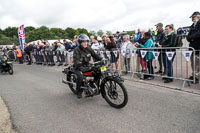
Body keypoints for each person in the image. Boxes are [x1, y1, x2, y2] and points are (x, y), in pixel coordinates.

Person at [73, 34, 102, 99]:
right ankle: (79, 91)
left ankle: (94, 86)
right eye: (83, 42)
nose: (85, 43)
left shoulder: (89, 48)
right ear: (80, 42)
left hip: (87, 66)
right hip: (79, 67)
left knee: (98, 71)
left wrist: (102, 59)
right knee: (80, 77)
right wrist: (79, 62)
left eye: (86, 41)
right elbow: (76, 60)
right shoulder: (76, 50)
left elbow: (95, 55)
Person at [187, 11, 200, 83]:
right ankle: (194, 75)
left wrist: (191, 37)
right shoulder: (192, 25)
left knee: (197, 63)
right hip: (192, 47)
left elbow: (198, 34)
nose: (192, 18)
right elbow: (187, 37)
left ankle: (197, 77)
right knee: (193, 63)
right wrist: (191, 38)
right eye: (192, 17)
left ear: (198, 17)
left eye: (193, 17)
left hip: (198, 47)